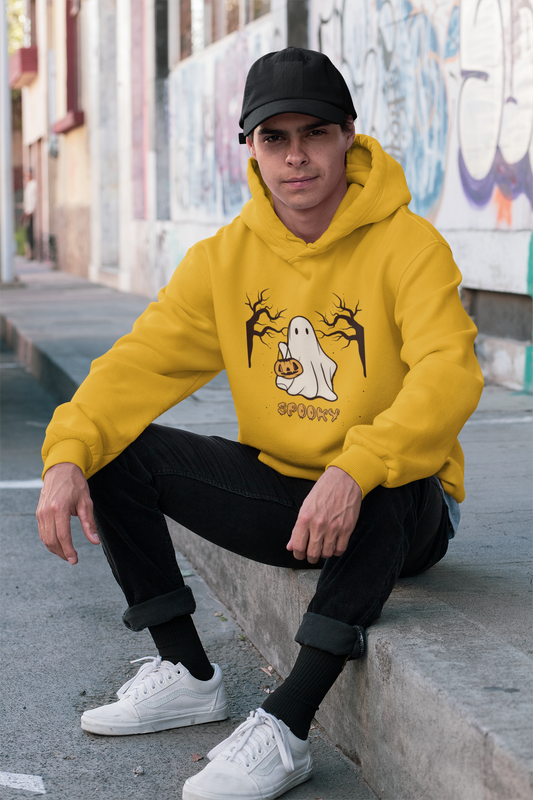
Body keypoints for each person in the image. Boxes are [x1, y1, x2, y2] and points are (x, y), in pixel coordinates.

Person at [37, 47, 483, 800]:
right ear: (251, 148)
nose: (295, 156)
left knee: (394, 483)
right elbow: (138, 365)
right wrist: (66, 453)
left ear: (348, 135)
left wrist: (355, 468)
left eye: (314, 134)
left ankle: (286, 724)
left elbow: (449, 376)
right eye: (274, 138)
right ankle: (184, 670)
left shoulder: (410, 247)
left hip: (400, 509)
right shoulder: (223, 260)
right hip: (287, 495)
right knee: (114, 450)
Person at [22, 168, 37, 260]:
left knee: (31, 232)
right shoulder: (28, 185)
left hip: (31, 212)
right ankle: (29, 252)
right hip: (28, 211)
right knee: (28, 233)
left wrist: (31, 211)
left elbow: (33, 199)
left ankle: (32, 253)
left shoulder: (34, 185)